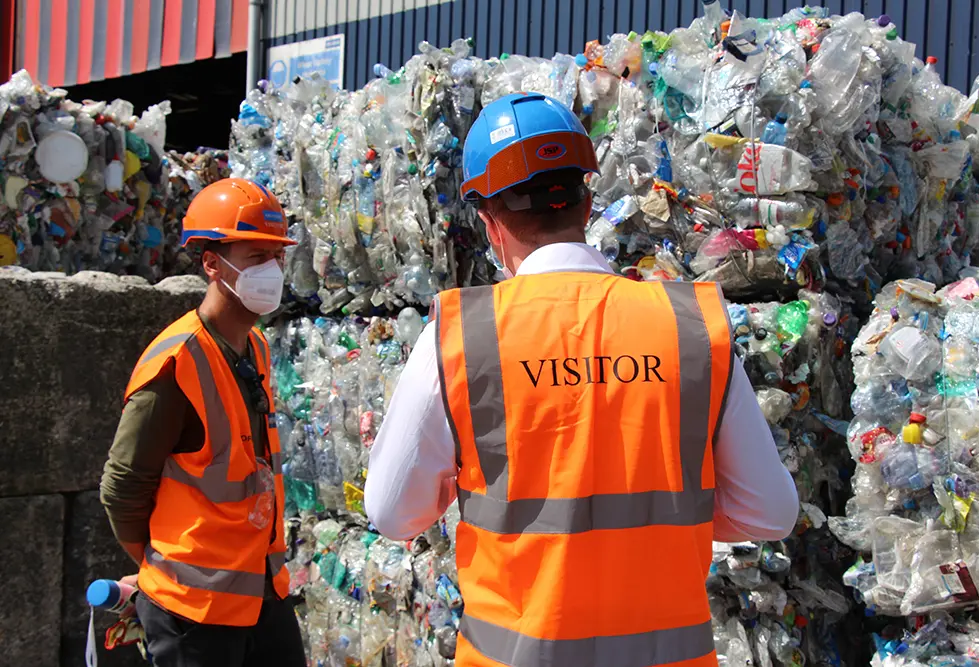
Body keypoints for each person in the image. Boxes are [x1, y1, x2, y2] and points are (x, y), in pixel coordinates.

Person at [364, 93, 799, 667]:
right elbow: (770, 512)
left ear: (488, 220)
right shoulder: (688, 327)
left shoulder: (460, 337)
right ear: (587, 200)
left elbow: (394, 513)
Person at [99, 178, 306, 667]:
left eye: (276, 257)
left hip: (261, 593)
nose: (272, 270)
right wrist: (157, 567)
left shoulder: (254, 348)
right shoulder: (174, 365)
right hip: (192, 613)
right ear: (213, 263)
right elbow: (122, 486)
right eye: (256, 257)